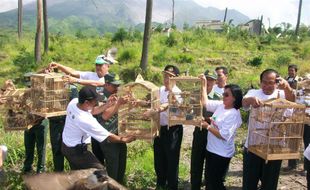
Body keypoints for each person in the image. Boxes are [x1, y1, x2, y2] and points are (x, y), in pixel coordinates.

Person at [242, 69, 295, 190]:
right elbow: (244, 102)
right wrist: (250, 100)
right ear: (260, 82)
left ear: (276, 83)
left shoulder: (282, 94)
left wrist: (286, 87)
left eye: (270, 82)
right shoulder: (254, 92)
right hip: (253, 146)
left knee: (269, 184)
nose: (267, 85)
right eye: (264, 82)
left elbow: (292, 101)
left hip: (274, 148)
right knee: (249, 183)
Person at [61, 86, 135, 170]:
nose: (96, 103)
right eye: (94, 102)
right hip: (76, 151)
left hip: (66, 146)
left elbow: (92, 111)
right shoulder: (85, 120)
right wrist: (125, 140)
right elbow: (108, 136)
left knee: (78, 175)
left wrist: (107, 104)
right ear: (86, 102)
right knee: (100, 172)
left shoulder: (74, 103)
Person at [199, 74, 243, 190]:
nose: (223, 96)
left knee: (216, 182)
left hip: (221, 153)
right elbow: (205, 103)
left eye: (226, 95)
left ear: (235, 98)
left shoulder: (233, 114)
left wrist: (207, 126)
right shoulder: (221, 106)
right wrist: (203, 85)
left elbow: (224, 135)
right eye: (223, 93)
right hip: (211, 149)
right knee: (209, 180)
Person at [91, 73, 127, 184]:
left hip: (119, 134)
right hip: (107, 138)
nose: (117, 88)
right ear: (106, 84)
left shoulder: (116, 93)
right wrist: (118, 104)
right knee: (112, 168)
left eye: (118, 85)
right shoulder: (100, 95)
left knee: (121, 164)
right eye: (114, 85)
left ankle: (118, 184)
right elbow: (105, 116)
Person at [152, 65, 183, 190]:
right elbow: (152, 102)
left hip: (173, 130)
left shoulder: (179, 92)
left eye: (170, 77)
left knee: (172, 159)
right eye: (165, 76)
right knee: (159, 157)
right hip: (160, 128)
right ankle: (160, 184)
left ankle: (172, 186)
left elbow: (180, 110)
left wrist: (171, 96)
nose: (167, 79)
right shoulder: (159, 90)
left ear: (176, 78)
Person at [190, 70, 221, 190]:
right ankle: (195, 186)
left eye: (210, 80)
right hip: (199, 132)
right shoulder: (195, 95)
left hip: (212, 132)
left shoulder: (218, 97)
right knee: (196, 161)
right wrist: (193, 118)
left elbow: (220, 116)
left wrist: (208, 119)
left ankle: (209, 185)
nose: (208, 82)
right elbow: (188, 113)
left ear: (214, 82)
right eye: (206, 80)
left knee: (210, 162)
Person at [22, 72, 48, 174]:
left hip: (40, 124)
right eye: (27, 85)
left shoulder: (42, 94)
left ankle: (40, 170)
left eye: (30, 85)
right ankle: (27, 168)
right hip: (28, 124)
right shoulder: (25, 94)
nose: (29, 87)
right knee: (28, 147)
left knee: (41, 148)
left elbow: (47, 109)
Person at [48, 55, 113, 87]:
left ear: (108, 66)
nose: (98, 67)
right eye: (97, 64)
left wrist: (77, 80)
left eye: (100, 65)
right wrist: (59, 66)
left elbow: (99, 83)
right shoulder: (91, 75)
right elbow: (73, 72)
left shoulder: (110, 78)